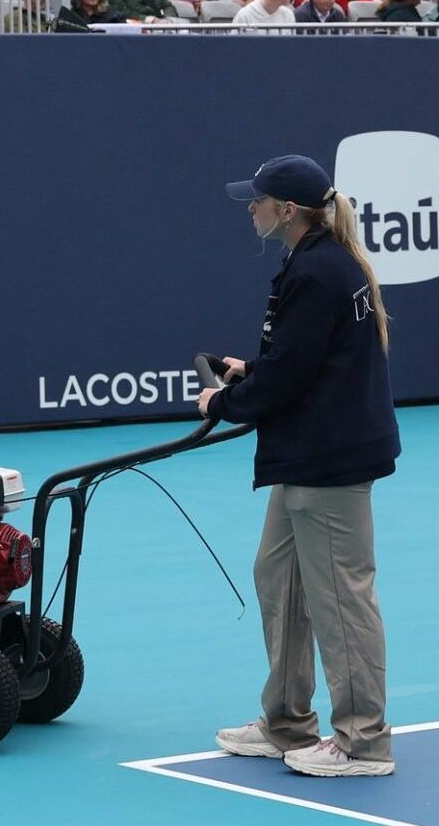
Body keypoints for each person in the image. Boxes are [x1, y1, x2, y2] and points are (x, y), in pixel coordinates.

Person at [205, 154, 397, 779]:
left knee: (341, 597)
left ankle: (363, 741)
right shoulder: (316, 264)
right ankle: (288, 721)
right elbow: (305, 361)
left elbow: (291, 378)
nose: (250, 209)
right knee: (278, 577)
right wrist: (251, 371)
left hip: (329, 462)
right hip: (307, 455)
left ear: (287, 211)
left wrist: (225, 399)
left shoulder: (317, 273)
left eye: (257, 201)